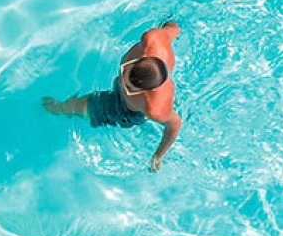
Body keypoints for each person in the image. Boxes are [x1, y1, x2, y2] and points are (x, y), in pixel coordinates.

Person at [42, 21, 182, 172]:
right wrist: (172, 23)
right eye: (125, 71)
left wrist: (158, 155)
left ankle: (62, 108)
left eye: (128, 87)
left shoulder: (154, 108)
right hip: (145, 89)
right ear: (141, 58)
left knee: (71, 107)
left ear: (147, 91)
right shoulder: (152, 38)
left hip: (124, 109)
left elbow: (174, 124)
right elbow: (173, 30)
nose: (121, 81)